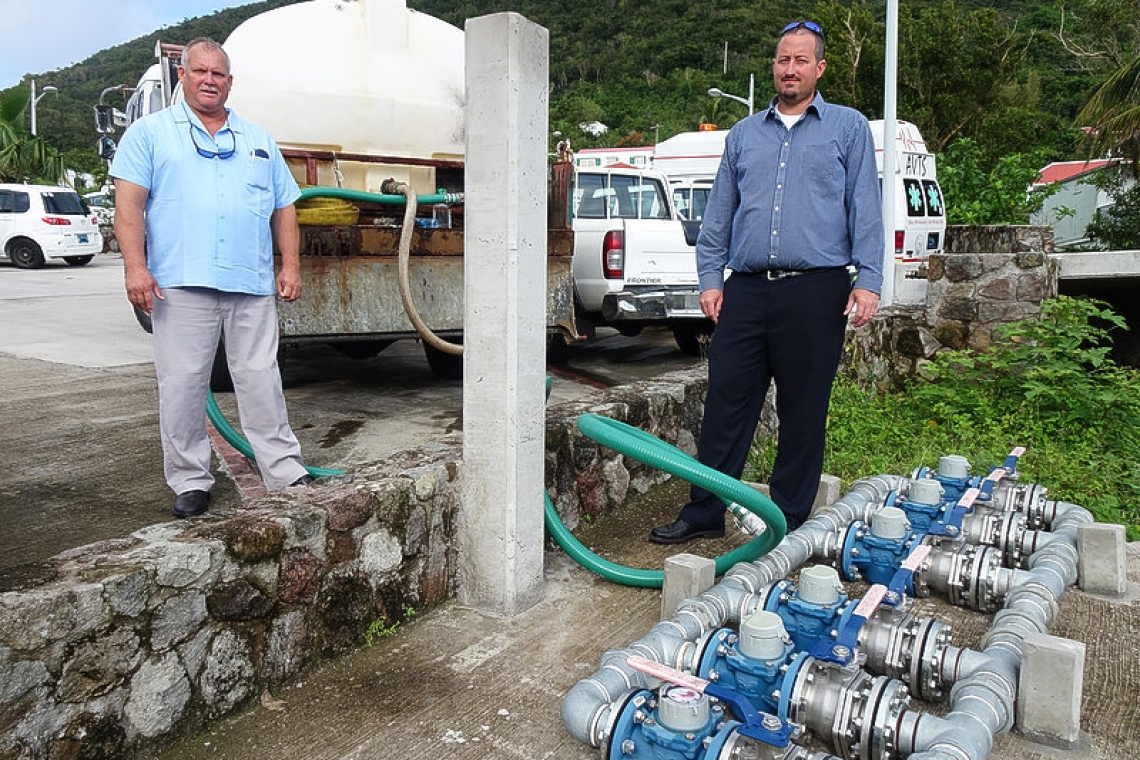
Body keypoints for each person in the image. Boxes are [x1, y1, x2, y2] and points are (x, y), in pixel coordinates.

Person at [650, 20, 883, 544]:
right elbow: (719, 218)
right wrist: (711, 278)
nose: (790, 69)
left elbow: (865, 209)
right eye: (783, 60)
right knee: (726, 402)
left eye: (801, 60)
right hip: (747, 289)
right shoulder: (743, 135)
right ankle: (705, 511)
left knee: (804, 408)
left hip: (817, 288)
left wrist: (868, 280)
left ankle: (788, 517)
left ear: (819, 68)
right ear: (773, 66)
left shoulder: (847, 129)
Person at [111, 37, 313, 519]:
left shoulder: (257, 139)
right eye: (199, 71)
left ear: (229, 82)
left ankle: (284, 469)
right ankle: (190, 480)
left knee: (261, 378)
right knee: (182, 382)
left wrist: (290, 264)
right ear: (182, 75)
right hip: (180, 281)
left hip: (250, 280)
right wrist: (135, 268)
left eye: (218, 74)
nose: (209, 81)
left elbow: (285, 205)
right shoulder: (149, 134)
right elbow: (128, 206)